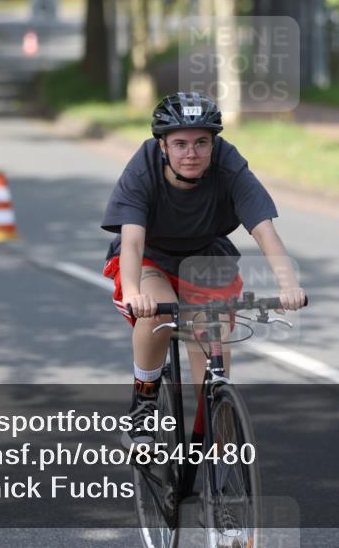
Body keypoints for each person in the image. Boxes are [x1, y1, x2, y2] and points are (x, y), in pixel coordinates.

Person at [101, 91, 306, 448]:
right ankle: (144, 404)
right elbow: (132, 240)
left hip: (205, 257)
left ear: (215, 143)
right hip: (150, 257)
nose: (191, 153)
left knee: (212, 351)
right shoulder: (142, 169)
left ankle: (213, 438)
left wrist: (288, 285)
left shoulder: (229, 165)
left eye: (201, 142)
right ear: (162, 145)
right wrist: (133, 293)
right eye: (180, 144)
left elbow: (263, 229)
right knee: (155, 313)